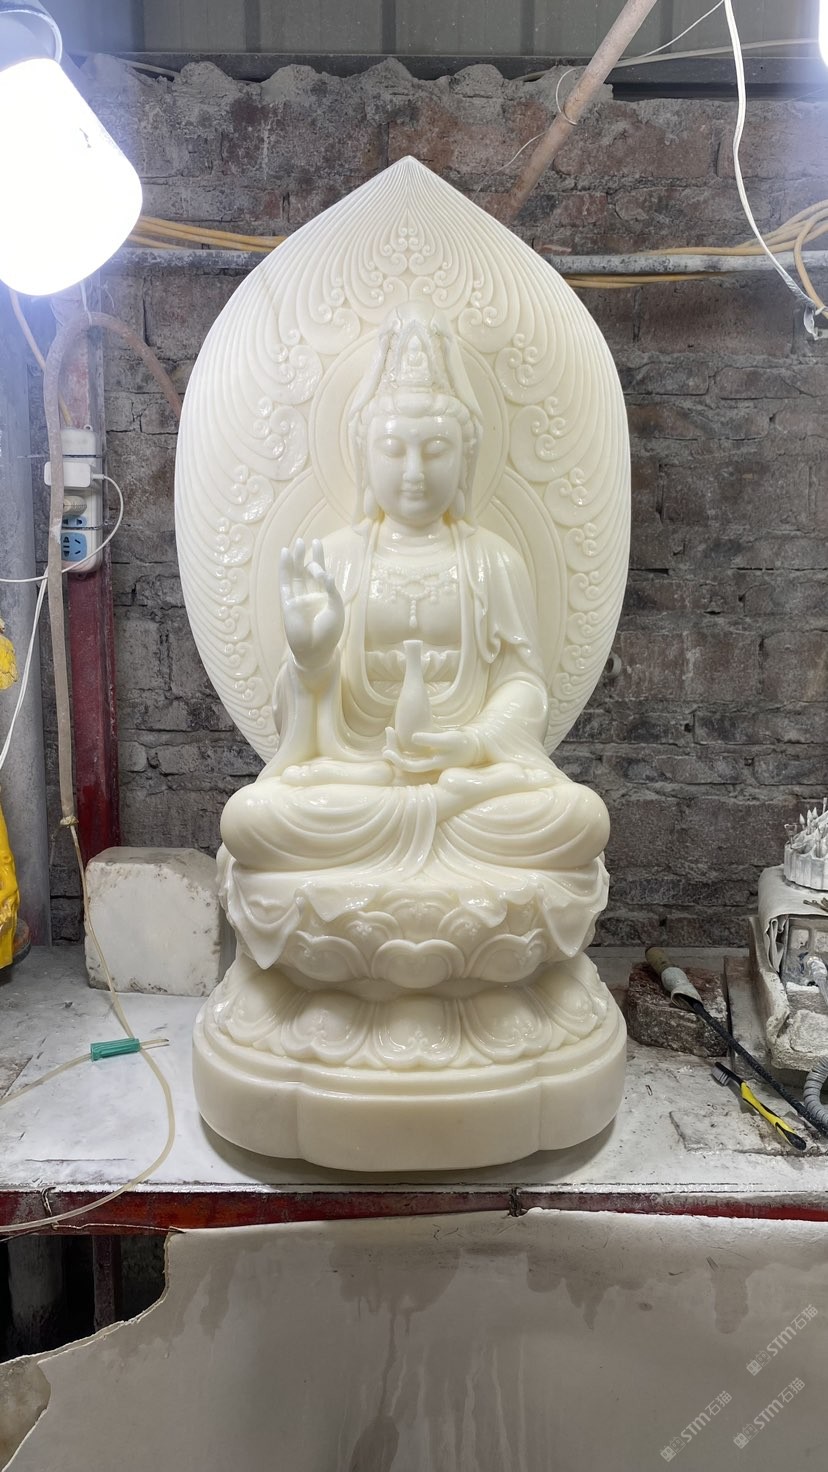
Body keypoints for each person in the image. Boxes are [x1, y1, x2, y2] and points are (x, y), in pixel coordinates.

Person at [218, 304, 609, 979]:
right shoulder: (335, 559)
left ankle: (383, 901)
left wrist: (473, 744)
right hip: (358, 779)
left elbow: (523, 685)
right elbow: (302, 731)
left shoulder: (493, 561)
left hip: (468, 787)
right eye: (394, 449)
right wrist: (311, 660)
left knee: (580, 818)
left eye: (436, 450)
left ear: (466, 456)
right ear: (363, 455)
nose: (414, 472)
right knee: (251, 819)